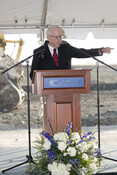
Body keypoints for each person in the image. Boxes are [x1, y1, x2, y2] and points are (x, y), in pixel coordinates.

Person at [30, 25, 113, 79]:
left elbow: (82, 52)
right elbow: (32, 75)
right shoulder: (39, 52)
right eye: (57, 37)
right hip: (47, 90)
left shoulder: (66, 48)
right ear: (48, 37)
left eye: (61, 37)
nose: (60, 40)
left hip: (67, 87)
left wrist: (100, 50)